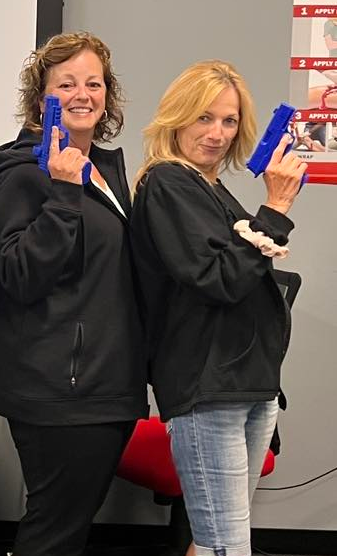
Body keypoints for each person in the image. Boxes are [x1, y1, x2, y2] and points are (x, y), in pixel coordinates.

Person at [0, 32, 147, 556]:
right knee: (55, 532)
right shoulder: (20, 168)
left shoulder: (107, 166)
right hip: (58, 389)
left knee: (66, 528)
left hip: (105, 381)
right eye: (66, 83)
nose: (82, 94)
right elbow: (17, 273)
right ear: (40, 97)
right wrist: (65, 195)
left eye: (93, 83)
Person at [131, 60, 305, 556]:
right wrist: (275, 211)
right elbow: (220, 279)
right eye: (204, 118)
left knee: (220, 541)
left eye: (228, 121)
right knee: (226, 545)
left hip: (247, 382)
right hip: (209, 387)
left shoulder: (210, 187)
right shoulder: (167, 182)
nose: (217, 133)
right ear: (177, 117)